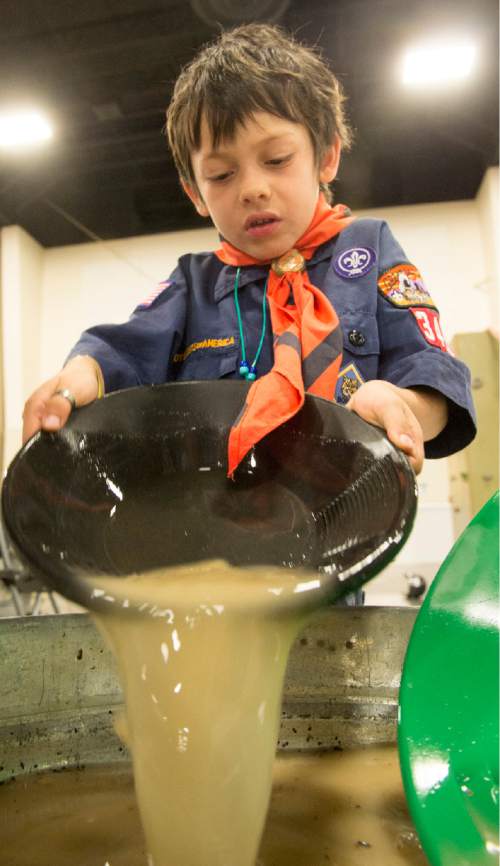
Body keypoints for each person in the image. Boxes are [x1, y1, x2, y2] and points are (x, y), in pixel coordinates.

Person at [22, 23, 475, 477]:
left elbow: (429, 368)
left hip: (350, 515)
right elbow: (121, 352)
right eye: (221, 175)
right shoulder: (192, 284)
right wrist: (76, 380)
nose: (253, 190)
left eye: (277, 160)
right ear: (195, 193)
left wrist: (403, 406)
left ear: (327, 156)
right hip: (215, 521)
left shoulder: (369, 249)